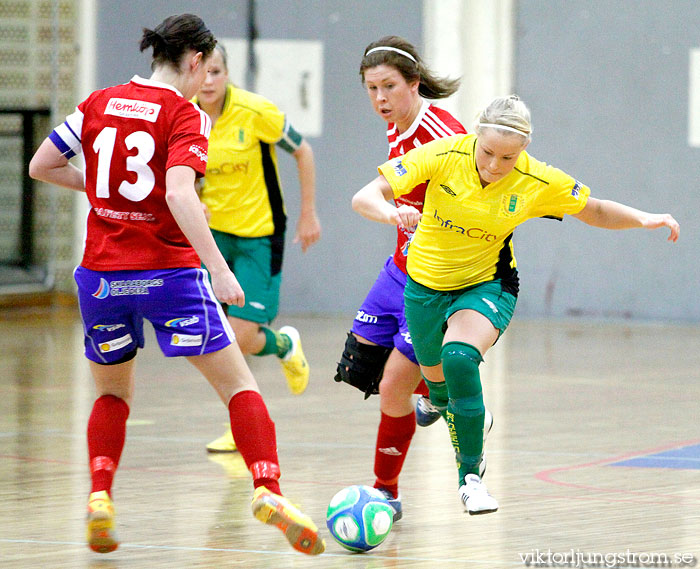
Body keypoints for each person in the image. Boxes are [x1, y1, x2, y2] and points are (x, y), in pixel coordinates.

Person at [28, 14, 324, 556]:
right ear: (193, 62)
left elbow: (42, 165)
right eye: (203, 69)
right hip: (168, 275)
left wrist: (100, 190)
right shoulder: (186, 114)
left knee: (113, 393)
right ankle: (268, 489)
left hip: (100, 278)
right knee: (239, 387)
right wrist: (219, 268)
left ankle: (99, 496)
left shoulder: (97, 102)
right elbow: (180, 194)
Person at [351, 94, 679, 515]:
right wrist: (390, 213)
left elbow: (593, 209)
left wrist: (645, 218)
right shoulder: (442, 154)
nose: (494, 165)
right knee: (439, 387)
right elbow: (366, 195)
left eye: (507, 157)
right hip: (425, 288)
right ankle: (449, 404)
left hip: (488, 284)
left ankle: (470, 480)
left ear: (523, 149)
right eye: (488, 152)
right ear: (475, 137)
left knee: (459, 357)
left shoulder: (535, 179)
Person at [334, 36, 486, 522]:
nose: (380, 98)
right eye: (371, 88)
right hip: (401, 266)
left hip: (439, 277)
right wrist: (395, 212)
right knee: (363, 365)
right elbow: (383, 194)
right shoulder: (397, 126)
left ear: (414, 84)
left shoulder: (442, 135)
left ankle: (386, 493)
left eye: (389, 87)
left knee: (395, 382)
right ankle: (432, 393)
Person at [194, 44, 321, 454]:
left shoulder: (256, 111)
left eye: (216, 72)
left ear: (228, 73)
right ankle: (238, 425)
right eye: (202, 73)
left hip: (259, 237)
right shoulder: (184, 114)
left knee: (240, 334)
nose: (209, 81)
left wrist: (308, 214)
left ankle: (284, 345)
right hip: (212, 240)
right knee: (217, 338)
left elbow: (303, 151)